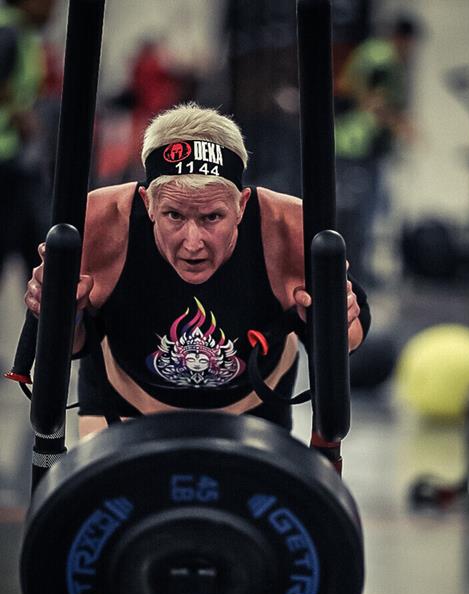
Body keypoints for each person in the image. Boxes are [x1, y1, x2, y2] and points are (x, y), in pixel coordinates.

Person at [24, 102, 370, 437]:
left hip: (253, 403)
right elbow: (71, 345)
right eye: (174, 215)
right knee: (110, 477)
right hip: (124, 400)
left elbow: (351, 338)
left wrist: (335, 321)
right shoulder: (101, 222)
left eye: (211, 217)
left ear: (241, 205)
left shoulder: (287, 227)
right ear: (148, 202)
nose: (192, 243)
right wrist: (59, 313)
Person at [334, 14, 421, 285]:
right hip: (360, 144)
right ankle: (354, 273)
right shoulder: (383, 60)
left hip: (354, 142)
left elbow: (347, 85)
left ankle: (353, 271)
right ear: (403, 39)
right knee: (361, 213)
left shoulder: (370, 52)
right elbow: (375, 101)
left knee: (362, 210)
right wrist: (401, 125)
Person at [0, 0, 55, 281]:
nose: (53, 7)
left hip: (17, 160)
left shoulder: (21, 32)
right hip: (7, 159)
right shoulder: (8, 30)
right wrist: (21, 115)